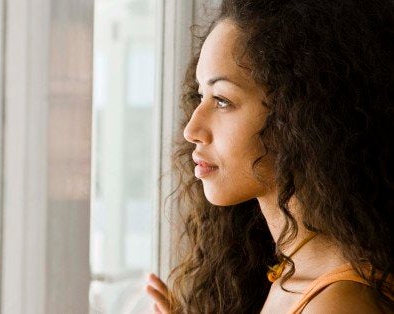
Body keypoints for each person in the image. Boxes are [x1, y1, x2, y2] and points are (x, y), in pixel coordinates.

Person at [145, 0, 393, 312]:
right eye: (200, 96)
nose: (192, 129)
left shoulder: (336, 303)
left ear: (300, 116)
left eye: (222, 100)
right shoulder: (291, 274)